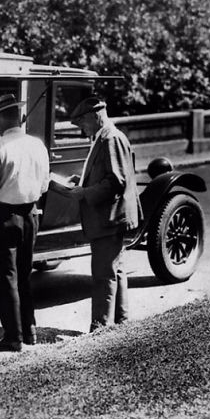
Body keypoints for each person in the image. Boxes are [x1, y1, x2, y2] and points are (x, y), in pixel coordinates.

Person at [0, 94, 49, 352]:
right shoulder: (37, 145)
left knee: (7, 277)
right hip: (30, 214)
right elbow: (44, 184)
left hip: (4, 215)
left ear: (0, 118)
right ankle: (30, 330)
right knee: (25, 274)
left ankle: (12, 336)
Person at [59, 97, 140, 332]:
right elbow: (109, 175)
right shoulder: (105, 136)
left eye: (83, 123)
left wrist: (84, 192)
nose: (82, 129)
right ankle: (121, 322)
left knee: (103, 274)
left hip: (109, 217)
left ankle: (101, 327)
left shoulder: (110, 138)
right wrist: (83, 181)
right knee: (116, 269)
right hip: (111, 217)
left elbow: (116, 181)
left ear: (95, 116)